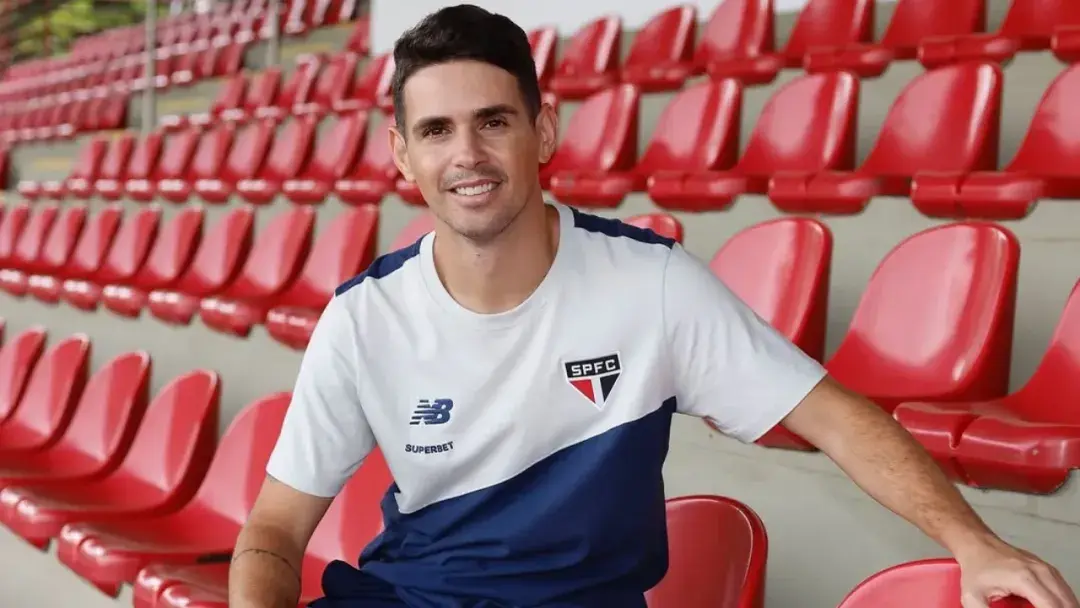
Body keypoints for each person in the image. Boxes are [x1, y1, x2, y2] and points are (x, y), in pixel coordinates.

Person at [227, 5, 1079, 608]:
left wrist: (975, 542)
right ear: (401, 155)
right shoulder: (365, 318)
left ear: (543, 132)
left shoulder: (649, 283)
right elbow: (273, 528)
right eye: (437, 131)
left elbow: (834, 417)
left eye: (493, 122)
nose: (467, 154)